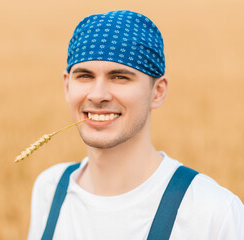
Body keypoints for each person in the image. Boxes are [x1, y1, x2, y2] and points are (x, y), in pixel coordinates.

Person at [27, 10, 244, 240]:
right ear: (67, 86)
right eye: (84, 76)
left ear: (157, 92)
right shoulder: (50, 190)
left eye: (119, 77)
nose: (98, 95)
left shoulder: (213, 214)